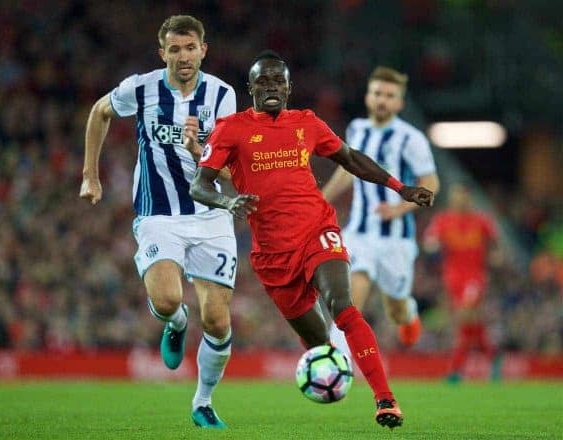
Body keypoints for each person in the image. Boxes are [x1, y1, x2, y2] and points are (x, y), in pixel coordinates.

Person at [190, 50, 434, 429]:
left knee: (343, 305)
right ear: (250, 87)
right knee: (322, 346)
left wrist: (400, 188)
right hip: (272, 255)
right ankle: (333, 371)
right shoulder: (231, 128)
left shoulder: (306, 122)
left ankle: (385, 399)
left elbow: (351, 159)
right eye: (263, 81)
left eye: (278, 81)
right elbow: (199, 185)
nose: (271, 87)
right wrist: (226, 200)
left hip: (317, 230)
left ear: (289, 87)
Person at [79, 15, 237, 428]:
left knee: (219, 320)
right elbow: (100, 111)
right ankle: (176, 322)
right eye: (174, 49)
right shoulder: (142, 87)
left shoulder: (223, 95)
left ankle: (202, 402)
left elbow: (233, 171)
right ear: (162, 52)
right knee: (168, 300)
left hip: (211, 214)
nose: (183, 57)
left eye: (190, 48)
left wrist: (199, 147)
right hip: (159, 213)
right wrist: (90, 175)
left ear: (203, 49)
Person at [323, 66, 440, 351]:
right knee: (350, 296)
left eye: (389, 95)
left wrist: (398, 209)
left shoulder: (411, 139)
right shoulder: (357, 129)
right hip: (360, 233)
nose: (382, 100)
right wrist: (322, 197)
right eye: (377, 93)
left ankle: (408, 313)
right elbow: (348, 170)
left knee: (396, 309)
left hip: (395, 239)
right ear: (367, 97)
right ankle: (337, 362)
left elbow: (431, 183)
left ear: (399, 103)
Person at [424, 184, 500, 382]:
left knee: (464, 316)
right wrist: (431, 244)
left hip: (475, 277)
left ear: (469, 199)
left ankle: (455, 369)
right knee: (470, 323)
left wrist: (495, 256)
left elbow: (495, 242)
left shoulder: (481, 220)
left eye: (463, 198)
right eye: (456, 197)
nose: (459, 201)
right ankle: (492, 355)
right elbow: (429, 239)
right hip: (452, 278)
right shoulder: (444, 220)